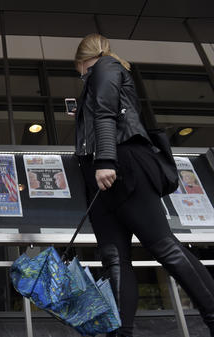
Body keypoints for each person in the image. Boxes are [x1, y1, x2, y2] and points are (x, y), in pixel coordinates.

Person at [74, 33, 214, 337]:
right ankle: (120, 331)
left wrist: (106, 160)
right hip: (102, 180)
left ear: (82, 60)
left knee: (163, 246)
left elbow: (106, 113)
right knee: (114, 260)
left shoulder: (106, 67)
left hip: (121, 168)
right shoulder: (98, 76)